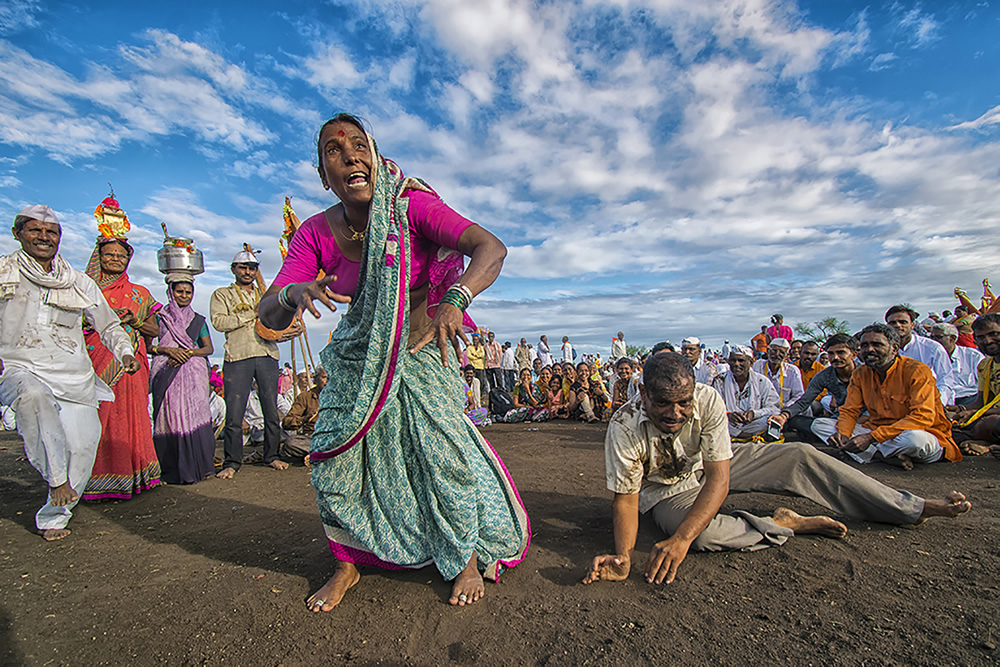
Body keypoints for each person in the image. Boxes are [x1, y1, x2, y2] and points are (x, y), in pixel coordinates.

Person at [257, 114, 529, 610]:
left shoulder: (410, 207)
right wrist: (296, 291)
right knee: (331, 459)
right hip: (359, 359)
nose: (350, 156)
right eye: (334, 152)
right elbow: (269, 308)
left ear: (376, 156)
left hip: (424, 350)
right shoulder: (315, 233)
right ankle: (346, 565)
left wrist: (457, 299)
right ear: (324, 175)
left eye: (360, 145)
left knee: (442, 453)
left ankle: (463, 556)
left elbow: (490, 247)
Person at [583, 352, 972, 587]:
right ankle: (784, 523)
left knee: (799, 454)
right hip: (665, 490)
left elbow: (719, 477)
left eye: (683, 402)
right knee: (703, 535)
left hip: (710, 465)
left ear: (693, 393)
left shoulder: (707, 397)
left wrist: (680, 539)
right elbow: (626, 499)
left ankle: (910, 507)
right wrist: (625, 557)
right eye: (664, 404)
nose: (676, 413)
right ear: (644, 395)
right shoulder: (624, 424)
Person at [0, 206, 139, 540]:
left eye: (52, 232)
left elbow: (108, 324)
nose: (44, 238)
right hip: (20, 367)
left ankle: (54, 516)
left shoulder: (77, 281)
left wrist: (124, 351)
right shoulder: (4, 271)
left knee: (82, 446)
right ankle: (56, 479)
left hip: (75, 375)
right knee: (34, 396)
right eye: (35, 230)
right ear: (18, 233)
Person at [81, 229, 162, 500]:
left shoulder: (139, 293)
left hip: (131, 364)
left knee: (133, 415)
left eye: (120, 255)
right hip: (95, 357)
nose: (115, 259)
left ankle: (136, 475)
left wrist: (132, 320)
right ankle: (90, 478)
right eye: (109, 254)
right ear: (99, 256)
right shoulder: (84, 289)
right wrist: (100, 319)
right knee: (96, 415)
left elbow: (154, 328)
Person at [819, 324, 961, 470]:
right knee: (821, 425)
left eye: (877, 344)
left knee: (915, 440)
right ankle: (882, 457)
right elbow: (850, 410)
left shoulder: (917, 371)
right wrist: (843, 434)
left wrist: (871, 438)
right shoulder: (860, 373)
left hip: (916, 434)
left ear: (894, 348)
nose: (869, 350)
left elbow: (923, 417)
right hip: (878, 432)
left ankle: (870, 454)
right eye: (865, 345)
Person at [210, 250, 287, 478]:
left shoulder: (265, 294)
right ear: (234, 269)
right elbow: (218, 322)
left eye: (252, 268)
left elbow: (280, 320)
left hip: (267, 353)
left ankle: (272, 456)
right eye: (243, 267)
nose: (247, 272)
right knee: (234, 412)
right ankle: (232, 462)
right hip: (237, 355)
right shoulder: (222, 294)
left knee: (271, 410)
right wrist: (252, 315)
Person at [149, 275, 217, 484]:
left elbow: (208, 348)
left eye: (188, 292)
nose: (184, 296)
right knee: (170, 417)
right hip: (167, 372)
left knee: (195, 416)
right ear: (171, 292)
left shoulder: (198, 321)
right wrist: (168, 350)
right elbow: (148, 346)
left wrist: (186, 353)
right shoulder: (160, 318)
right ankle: (172, 471)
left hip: (193, 374)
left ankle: (201, 468)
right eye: (180, 292)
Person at [769, 333, 859, 442]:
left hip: (866, 420)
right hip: (839, 420)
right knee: (798, 421)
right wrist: (784, 415)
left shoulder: (865, 373)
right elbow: (804, 401)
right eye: (831, 353)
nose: (835, 357)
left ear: (854, 355)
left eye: (841, 353)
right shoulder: (825, 375)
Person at [950, 314, 1000, 457]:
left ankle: (985, 443)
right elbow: (982, 402)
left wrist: (978, 414)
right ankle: (987, 445)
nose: (988, 341)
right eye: (981, 337)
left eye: (993, 334)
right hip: (988, 416)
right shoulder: (986, 365)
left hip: (993, 420)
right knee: (945, 426)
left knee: (991, 423)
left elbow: (983, 410)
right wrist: (960, 410)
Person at [885, 305, 956, 406]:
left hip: (930, 401)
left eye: (903, 322)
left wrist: (936, 404)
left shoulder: (932, 348)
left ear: (912, 325)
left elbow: (946, 380)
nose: (897, 325)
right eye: (892, 323)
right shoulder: (884, 349)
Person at [711, 346, 780, 440]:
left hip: (753, 423)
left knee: (769, 420)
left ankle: (743, 435)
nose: (736, 364)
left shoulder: (762, 381)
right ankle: (743, 435)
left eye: (741, 361)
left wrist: (754, 414)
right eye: (733, 360)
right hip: (729, 424)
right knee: (714, 421)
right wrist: (728, 414)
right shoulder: (720, 380)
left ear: (751, 363)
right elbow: (714, 408)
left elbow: (773, 408)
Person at [929, 322, 984, 408]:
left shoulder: (973, 356)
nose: (933, 341)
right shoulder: (929, 355)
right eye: (931, 337)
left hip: (968, 397)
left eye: (938, 337)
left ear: (952, 338)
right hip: (938, 398)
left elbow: (984, 383)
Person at [281, 367, 328, 463]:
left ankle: (319, 454)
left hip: (333, 437)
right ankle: (323, 454)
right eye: (324, 377)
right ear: (315, 379)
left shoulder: (338, 397)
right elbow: (286, 422)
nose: (327, 381)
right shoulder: (305, 397)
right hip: (312, 438)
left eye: (330, 378)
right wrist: (304, 419)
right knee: (290, 442)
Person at [751, 338, 804, 410]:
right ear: (768, 351)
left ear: (786, 355)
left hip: (784, 411)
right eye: (774, 350)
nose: (777, 354)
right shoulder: (758, 366)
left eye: (781, 352)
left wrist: (787, 407)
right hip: (761, 410)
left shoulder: (792, 371)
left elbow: (798, 395)